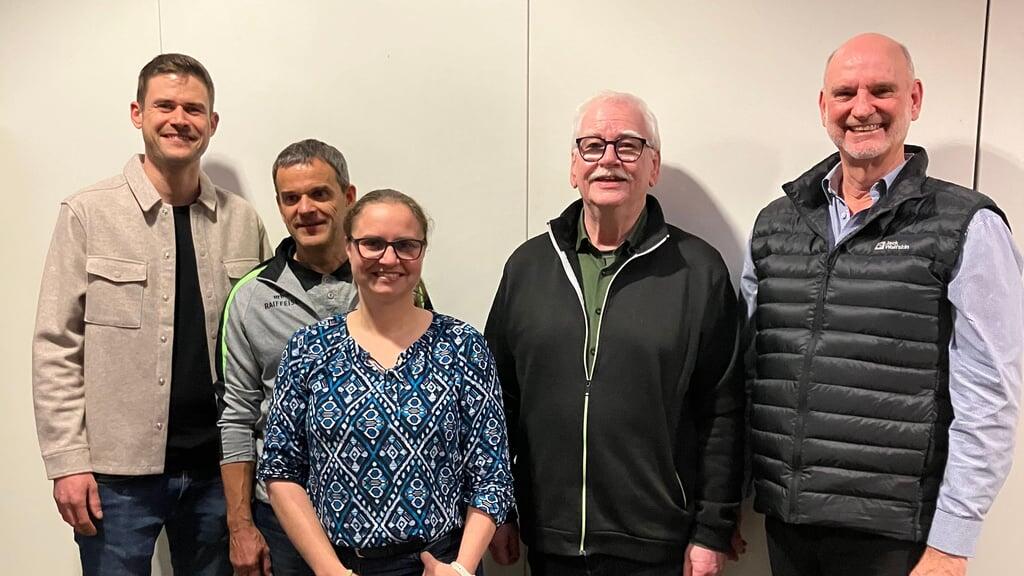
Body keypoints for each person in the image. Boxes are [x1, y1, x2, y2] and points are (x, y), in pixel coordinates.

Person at [743, 33, 1023, 576]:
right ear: (823, 105)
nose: (862, 107)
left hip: (897, 539)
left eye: (882, 90)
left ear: (913, 99)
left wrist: (951, 544)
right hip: (787, 524)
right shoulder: (775, 224)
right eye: (845, 92)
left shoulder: (967, 225)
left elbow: (989, 398)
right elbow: (751, 372)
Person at [485, 91, 744, 576]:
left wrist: (712, 530)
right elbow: (498, 402)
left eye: (627, 145)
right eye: (592, 146)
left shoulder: (699, 271)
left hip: (656, 543)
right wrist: (496, 510)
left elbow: (722, 410)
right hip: (550, 540)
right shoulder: (528, 267)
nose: (608, 159)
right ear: (573, 167)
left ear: (653, 166)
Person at [32, 53, 270, 575]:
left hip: (218, 473)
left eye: (193, 109)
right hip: (115, 479)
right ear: (137, 113)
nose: (179, 119)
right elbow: (56, 345)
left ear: (212, 123)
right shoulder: (88, 213)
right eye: (165, 106)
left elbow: (264, 344)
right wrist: (67, 461)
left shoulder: (242, 221)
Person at [257, 189, 513, 576]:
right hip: (337, 566)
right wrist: (330, 570)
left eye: (406, 245)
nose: (389, 259)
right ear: (349, 248)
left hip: (439, 564)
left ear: (422, 251)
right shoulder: (309, 348)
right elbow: (280, 469)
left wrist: (462, 568)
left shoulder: (463, 346)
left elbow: (491, 473)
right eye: (373, 244)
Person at [217, 140, 432, 576]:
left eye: (319, 193)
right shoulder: (249, 297)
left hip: (388, 522)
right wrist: (240, 525)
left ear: (348, 197)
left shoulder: (393, 278)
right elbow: (236, 416)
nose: (305, 209)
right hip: (285, 520)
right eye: (290, 198)